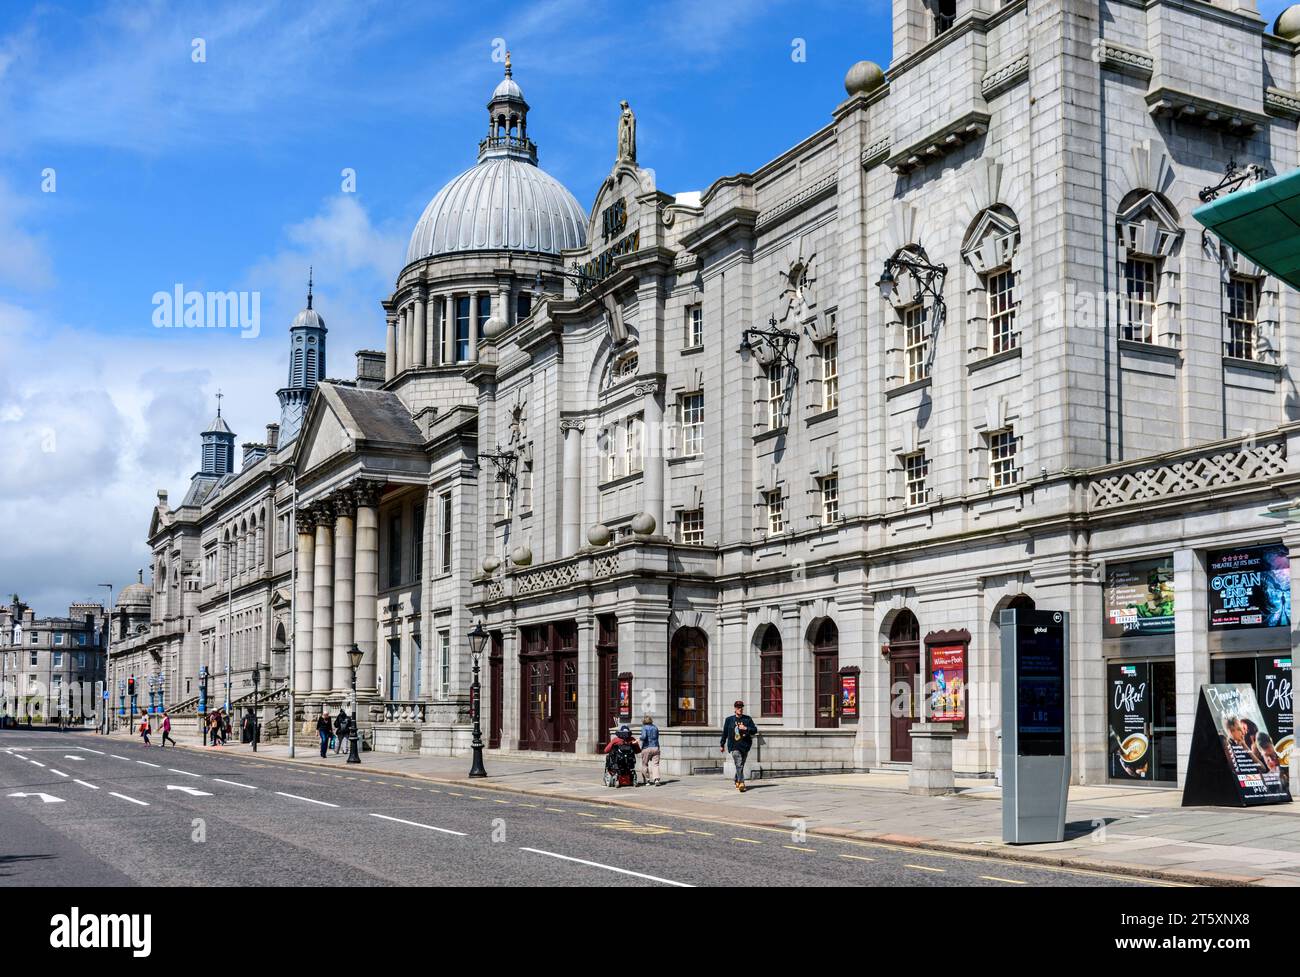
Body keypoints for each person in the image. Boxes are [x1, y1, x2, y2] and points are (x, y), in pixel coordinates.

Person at [719, 699, 757, 792]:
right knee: (739, 764)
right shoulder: (729, 720)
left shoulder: (747, 719)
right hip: (734, 746)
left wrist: (746, 728)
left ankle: (736, 779)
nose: (740, 709)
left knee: (740, 765)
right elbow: (725, 733)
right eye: (738, 707)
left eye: (741, 707)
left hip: (745, 746)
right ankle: (741, 783)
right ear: (735, 708)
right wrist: (722, 744)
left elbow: (755, 730)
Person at [639, 714, 662, 786]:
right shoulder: (655, 727)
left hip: (647, 748)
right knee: (656, 764)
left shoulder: (644, 727)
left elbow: (644, 737)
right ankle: (656, 780)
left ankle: (647, 780)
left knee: (644, 764)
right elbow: (657, 737)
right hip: (655, 747)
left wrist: (639, 739)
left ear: (644, 721)